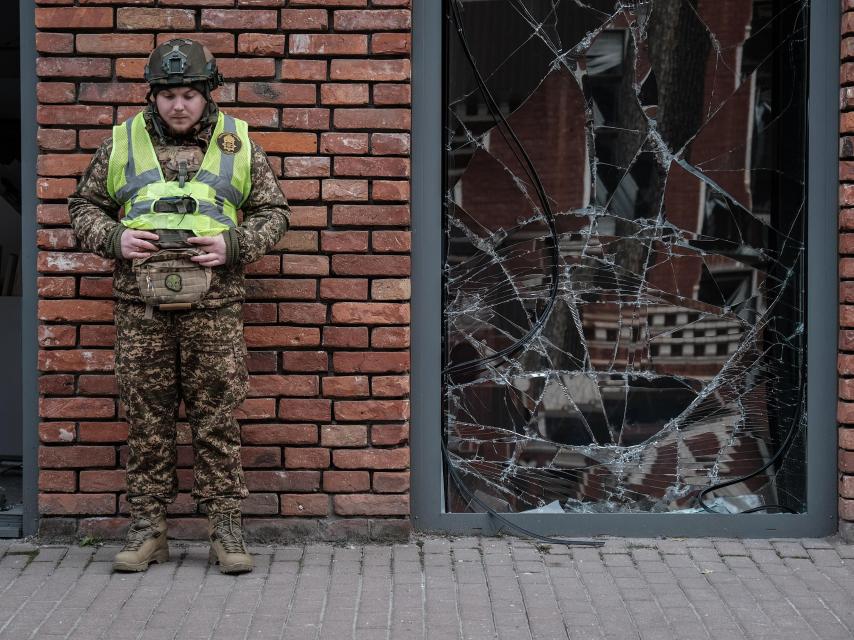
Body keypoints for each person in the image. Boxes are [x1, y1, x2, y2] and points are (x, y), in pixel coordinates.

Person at [67, 39, 290, 574]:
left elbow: (274, 213)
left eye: (189, 93)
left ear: (207, 93)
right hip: (139, 307)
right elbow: (83, 208)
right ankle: (148, 528)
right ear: (154, 95)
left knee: (215, 416)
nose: (178, 105)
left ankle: (226, 531)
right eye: (168, 94)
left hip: (214, 306)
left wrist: (233, 245)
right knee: (148, 418)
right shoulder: (121, 142)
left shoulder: (239, 143)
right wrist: (114, 239)